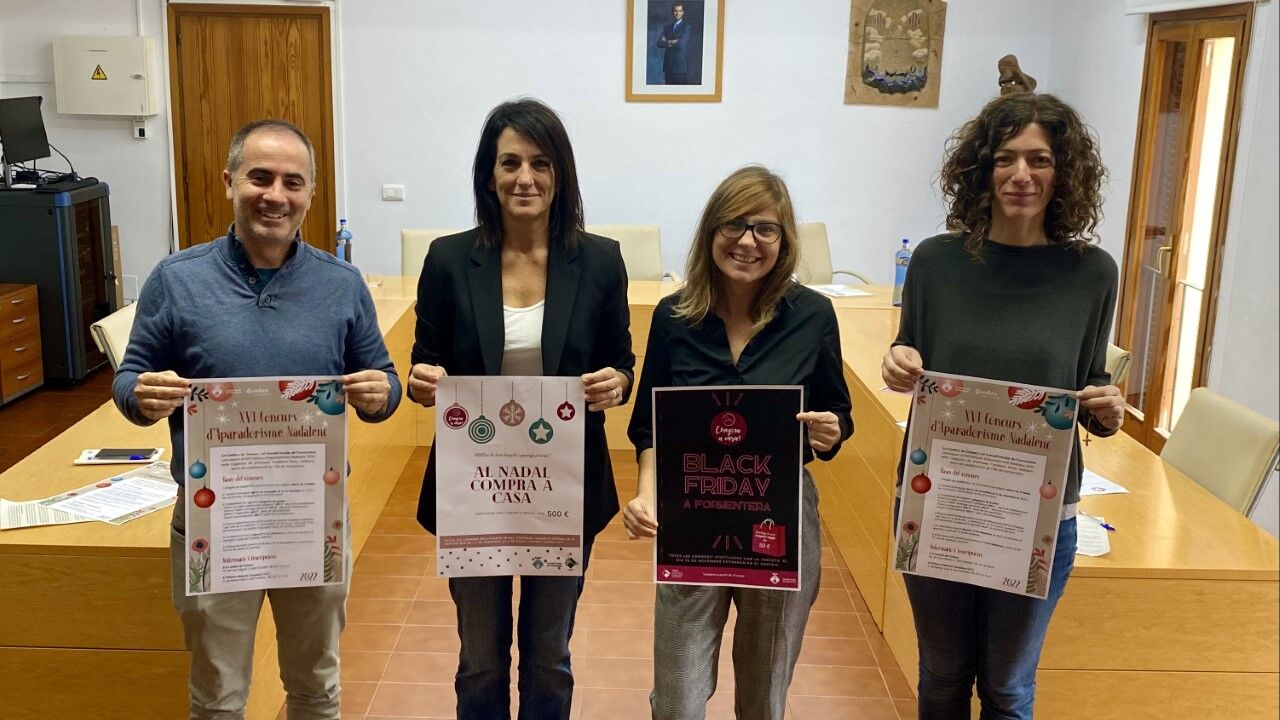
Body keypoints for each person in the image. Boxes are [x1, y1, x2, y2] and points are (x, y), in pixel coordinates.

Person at [113, 118, 402, 719]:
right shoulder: (177, 279)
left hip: (312, 514)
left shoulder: (342, 284)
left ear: (311, 193)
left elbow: (384, 379)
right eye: (259, 177)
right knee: (217, 698)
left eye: (293, 182)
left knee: (316, 688)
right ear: (229, 182)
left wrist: (382, 394)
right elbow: (130, 376)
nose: (276, 195)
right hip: (214, 517)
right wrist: (142, 395)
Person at [881, 92, 1126, 719]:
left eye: (1039, 160)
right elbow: (910, 354)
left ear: (1063, 172)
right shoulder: (935, 262)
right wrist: (897, 361)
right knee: (941, 677)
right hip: (939, 497)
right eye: (1005, 158)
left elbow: (1088, 384)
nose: (1021, 175)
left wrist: (1107, 408)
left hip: (1038, 510)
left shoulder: (1093, 273)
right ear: (981, 169)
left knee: (1008, 687)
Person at [407, 98, 635, 720]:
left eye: (541, 163)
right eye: (510, 163)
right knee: (480, 658)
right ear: (489, 174)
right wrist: (424, 381)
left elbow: (621, 361)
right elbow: (425, 363)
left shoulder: (600, 260)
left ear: (561, 174)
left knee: (549, 657)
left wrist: (615, 382)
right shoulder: (449, 259)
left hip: (563, 486)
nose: (525, 178)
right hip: (474, 487)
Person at [624, 166, 853, 720]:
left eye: (766, 228)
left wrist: (830, 431)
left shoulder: (812, 316)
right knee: (676, 699)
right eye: (734, 224)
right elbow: (650, 424)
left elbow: (838, 412)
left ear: (784, 240)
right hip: (691, 514)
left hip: (779, 514)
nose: (748, 241)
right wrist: (646, 495)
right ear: (712, 231)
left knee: (764, 693)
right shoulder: (674, 316)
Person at [657, 3, 693, 84]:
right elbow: (659, 43)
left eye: (680, 11)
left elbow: (681, 45)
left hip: (679, 67)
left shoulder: (686, 27)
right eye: (675, 11)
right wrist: (671, 41)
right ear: (673, 12)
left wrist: (666, 41)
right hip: (668, 65)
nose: (677, 13)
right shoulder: (667, 27)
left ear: (683, 12)